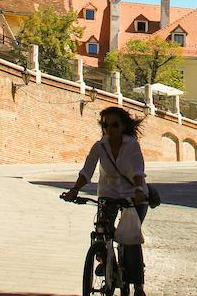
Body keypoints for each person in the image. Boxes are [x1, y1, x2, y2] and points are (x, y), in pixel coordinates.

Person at [62, 107, 149, 296]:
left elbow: (137, 171)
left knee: (129, 238)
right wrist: (74, 190)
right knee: (101, 229)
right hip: (108, 194)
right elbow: (86, 171)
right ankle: (103, 256)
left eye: (114, 125)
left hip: (134, 195)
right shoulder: (99, 146)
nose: (110, 129)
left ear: (123, 126)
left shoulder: (132, 145)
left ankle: (138, 285)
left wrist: (138, 191)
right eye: (106, 125)